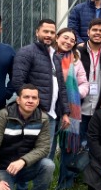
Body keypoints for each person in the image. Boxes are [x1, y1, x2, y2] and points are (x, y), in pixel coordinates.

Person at [11, 19, 70, 159]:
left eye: (52, 32)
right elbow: (18, 82)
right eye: (45, 31)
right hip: (33, 114)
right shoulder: (26, 52)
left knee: (46, 156)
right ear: (37, 32)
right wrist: (33, 107)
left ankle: (43, 182)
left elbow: (61, 87)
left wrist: (65, 113)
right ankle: (21, 182)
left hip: (51, 115)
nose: (49, 35)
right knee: (25, 153)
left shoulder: (55, 56)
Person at [53, 27, 90, 190]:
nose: (68, 42)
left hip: (71, 109)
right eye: (65, 38)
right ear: (57, 37)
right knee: (48, 147)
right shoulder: (47, 56)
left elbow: (84, 83)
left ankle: (65, 186)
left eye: (72, 40)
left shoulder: (75, 60)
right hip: (51, 108)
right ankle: (44, 186)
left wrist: (75, 94)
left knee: (69, 148)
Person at [78, 18, 101, 146]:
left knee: (94, 144)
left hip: (100, 108)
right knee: (74, 144)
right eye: (94, 30)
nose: (98, 33)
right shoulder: (77, 53)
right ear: (88, 32)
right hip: (79, 106)